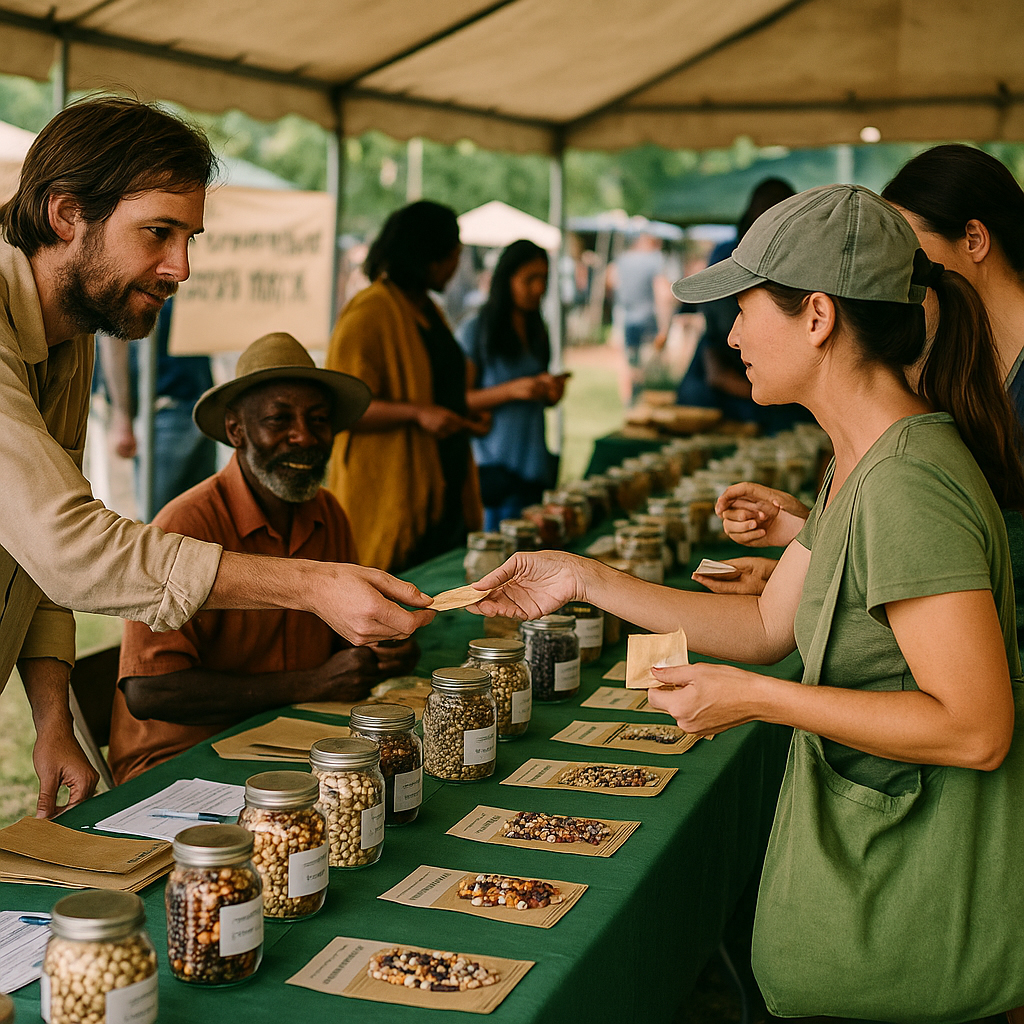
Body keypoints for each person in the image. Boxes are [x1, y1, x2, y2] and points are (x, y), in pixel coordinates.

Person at [470, 185, 1024, 1018]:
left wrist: (762, 702)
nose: (728, 336)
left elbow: (976, 727)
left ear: (818, 317)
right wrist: (583, 577)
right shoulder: (860, 460)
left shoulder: (908, 483)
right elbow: (768, 626)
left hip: (913, 944)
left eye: (742, 308)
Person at [0, 97, 434, 817]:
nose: (181, 268)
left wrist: (52, 718)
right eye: (159, 233)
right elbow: (69, 548)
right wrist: (310, 585)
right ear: (67, 214)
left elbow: (33, 563)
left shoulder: (67, 341)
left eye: (189, 237)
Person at [711, 147, 1024, 617]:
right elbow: (940, 541)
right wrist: (817, 535)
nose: (893, 266)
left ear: (974, 239)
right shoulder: (938, 364)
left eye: (908, 246)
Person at [108, 333, 419, 783]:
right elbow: (149, 691)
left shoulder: (328, 514)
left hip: (292, 738)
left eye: (318, 419)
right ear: (237, 431)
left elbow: (342, 648)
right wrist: (312, 683)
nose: (303, 437)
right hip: (181, 763)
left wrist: (383, 649)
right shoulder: (185, 525)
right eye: (279, 419)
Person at [325, 201, 484, 571]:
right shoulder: (369, 311)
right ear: (428, 257)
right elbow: (342, 403)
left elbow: (438, 385)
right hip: (391, 492)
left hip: (444, 486)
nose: (456, 265)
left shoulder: (428, 309)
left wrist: (463, 417)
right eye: (453, 255)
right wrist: (417, 414)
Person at [676, 178, 814, 434]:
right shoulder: (726, 257)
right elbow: (716, 364)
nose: (734, 337)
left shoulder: (805, 271)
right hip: (727, 405)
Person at [456, 239, 569, 530]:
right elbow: (459, 400)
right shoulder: (476, 329)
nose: (539, 288)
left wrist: (549, 393)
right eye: (529, 279)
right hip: (494, 467)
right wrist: (513, 390)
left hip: (534, 465)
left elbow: (538, 392)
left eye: (543, 279)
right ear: (506, 279)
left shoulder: (537, 329)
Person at [97, 297, 217, 519]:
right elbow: (112, 338)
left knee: (201, 518)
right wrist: (122, 416)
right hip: (161, 411)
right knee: (161, 523)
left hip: (200, 404)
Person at [607, 232, 674, 402]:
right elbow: (663, 294)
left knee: (629, 364)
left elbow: (610, 281)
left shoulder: (622, 260)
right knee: (648, 367)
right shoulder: (654, 260)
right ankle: (644, 403)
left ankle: (629, 403)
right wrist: (665, 326)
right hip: (648, 320)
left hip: (627, 318)